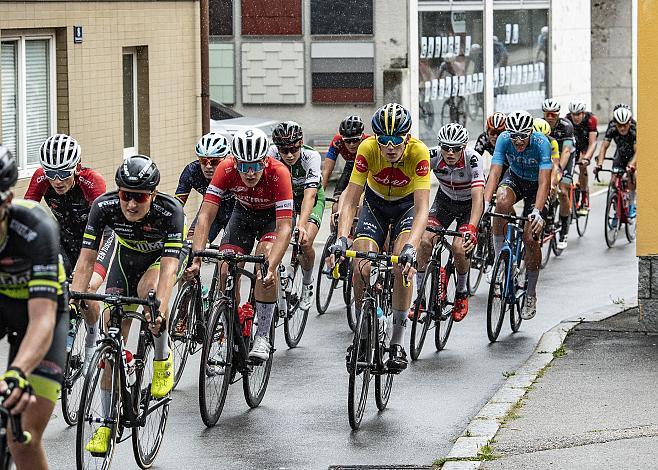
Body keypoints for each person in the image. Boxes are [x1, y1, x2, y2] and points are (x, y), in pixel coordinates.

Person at [71, 155, 185, 454]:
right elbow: (86, 260)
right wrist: (75, 296)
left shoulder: (170, 210)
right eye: (125, 196)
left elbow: (170, 269)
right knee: (111, 340)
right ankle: (106, 424)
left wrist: (160, 309)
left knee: (148, 295)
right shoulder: (103, 207)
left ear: (154, 195)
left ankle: (161, 359)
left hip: (160, 259)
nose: (131, 204)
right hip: (127, 258)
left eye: (140, 197)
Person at [327, 103, 430, 372]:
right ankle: (362, 336)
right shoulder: (367, 149)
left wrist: (410, 246)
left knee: (402, 267)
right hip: (375, 206)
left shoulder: (419, 153)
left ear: (407, 137)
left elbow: (422, 210)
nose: (390, 146)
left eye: (397, 140)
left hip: (406, 207)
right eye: (384, 140)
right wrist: (341, 237)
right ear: (376, 139)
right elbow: (350, 200)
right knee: (361, 265)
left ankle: (396, 342)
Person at [185, 128, 293, 360]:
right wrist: (196, 256)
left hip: (271, 219)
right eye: (244, 166)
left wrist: (272, 268)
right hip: (242, 215)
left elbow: (285, 226)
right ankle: (229, 325)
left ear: (265, 161)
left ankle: (262, 335)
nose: (250, 173)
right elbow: (205, 215)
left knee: (264, 262)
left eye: (255, 166)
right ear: (235, 162)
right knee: (225, 267)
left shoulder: (279, 173)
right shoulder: (225, 169)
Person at [0, 145, 67, 470]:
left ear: (7, 202)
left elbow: (42, 320)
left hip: (41, 313)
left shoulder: (36, 229)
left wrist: (16, 373)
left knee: (23, 436)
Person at [25, 134, 110, 372]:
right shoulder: (42, 178)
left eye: (63, 173)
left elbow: (101, 229)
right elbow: (26, 216)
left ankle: (92, 341)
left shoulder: (93, 182)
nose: (57, 180)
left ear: (76, 167)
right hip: (65, 237)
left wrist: (83, 274)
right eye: (51, 173)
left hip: (97, 239)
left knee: (87, 289)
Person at [484, 110, 552, 320]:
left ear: (530, 132)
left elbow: (544, 183)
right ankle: (500, 261)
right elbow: (495, 172)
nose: (518, 141)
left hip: (536, 188)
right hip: (514, 178)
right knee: (501, 201)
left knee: (530, 237)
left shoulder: (542, 144)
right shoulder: (504, 139)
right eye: (514, 136)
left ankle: (530, 293)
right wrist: (486, 202)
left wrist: (537, 212)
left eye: (523, 136)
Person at [416, 123, 484, 322]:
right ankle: (420, 298)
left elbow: (478, 197)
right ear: (440, 146)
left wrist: (471, 228)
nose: (450, 153)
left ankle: (461, 292)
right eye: (446, 147)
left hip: (469, 205)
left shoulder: (473, 159)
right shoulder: (433, 156)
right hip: (444, 201)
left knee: (459, 247)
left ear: (463, 147)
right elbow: (414, 181)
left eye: (456, 148)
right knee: (425, 241)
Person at [267, 121, 324, 313]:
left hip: (311, 198)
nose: (289, 155)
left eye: (293, 148)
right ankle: (287, 272)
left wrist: (302, 224)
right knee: (281, 235)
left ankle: (307, 285)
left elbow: (310, 195)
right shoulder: (271, 155)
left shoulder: (311, 157)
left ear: (301, 144)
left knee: (305, 241)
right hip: (287, 200)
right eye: (284, 150)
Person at [175, 132, 235, 242]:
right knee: (192, 244)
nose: (208, 166)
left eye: (214, 162)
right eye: (203, 160)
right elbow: (177, 204)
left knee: (230, 253)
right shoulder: (192, 171)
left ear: (226, 159)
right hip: (209, 210)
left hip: (234, 212)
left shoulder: (233, 170)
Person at [542, 98, 575, 250]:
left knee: (562, 191)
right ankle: (548, 217)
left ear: (558, 115)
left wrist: (559, 169)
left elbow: (567, 150)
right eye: (547, 114)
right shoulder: (539, 125)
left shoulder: (566, 126)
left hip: (564, 157)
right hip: (549, 157)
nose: (550, 117)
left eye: (553, 115)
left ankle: (564, 229)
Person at [321, 116, 368, 216]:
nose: (351, 144)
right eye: (347, 140)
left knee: (360, 205)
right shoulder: (337, 142)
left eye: (355, 140)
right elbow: (326, 171)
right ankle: (335, 230)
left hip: (366, 171)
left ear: (362, 136)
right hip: (350, 168)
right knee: (336, 206)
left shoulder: (368, 142)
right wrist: (320, 194)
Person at [595, 106, 637, 217]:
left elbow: (638, 151)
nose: (622, 128)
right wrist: (599, 164)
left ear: (629, 122)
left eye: (625, 125)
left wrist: (632, 165)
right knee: (614, 181)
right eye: (619, 125)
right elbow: (604, 147)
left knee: (632, 176)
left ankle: (632, 204)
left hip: (634, 155)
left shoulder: (634, 129)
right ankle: (617, 211)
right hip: (620, 154)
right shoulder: (612, 128)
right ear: (615, 123)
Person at [566, 100, 599, 215]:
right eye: (573, 114)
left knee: (582, 166)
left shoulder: (591, 119)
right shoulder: (567, 120)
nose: (576, 117)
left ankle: (584, 197)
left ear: (583, 113)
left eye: (578, 114)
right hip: (574, 144)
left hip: (586, 143)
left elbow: (593, 143)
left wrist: (587, 158)